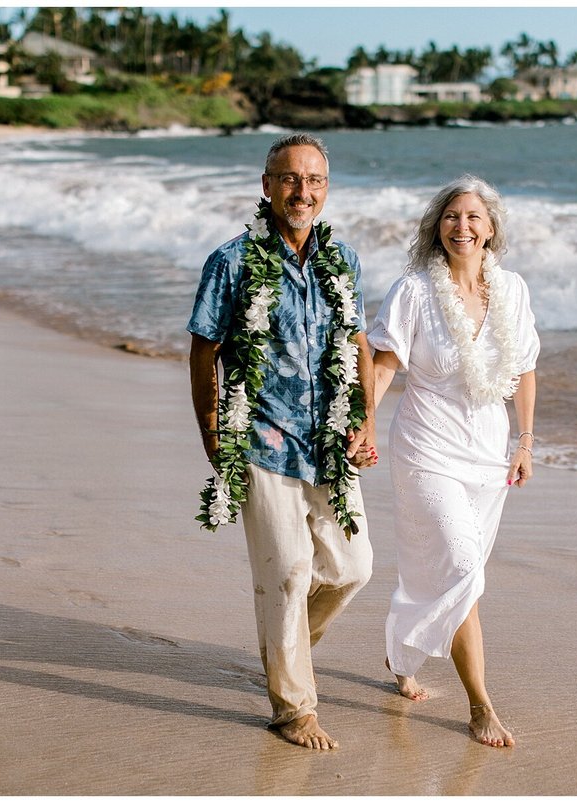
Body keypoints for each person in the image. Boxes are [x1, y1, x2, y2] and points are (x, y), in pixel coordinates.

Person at [187, 133, 377, 750]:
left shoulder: (342, 259)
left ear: (327, 189)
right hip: (260, 437)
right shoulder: (232, 260)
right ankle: (294, 708)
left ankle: (284, 643)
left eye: (315, 181)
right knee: (289, 572)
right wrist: (215, 434)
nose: (303, 192)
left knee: (352, 567)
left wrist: (365, 419)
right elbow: (204, 350)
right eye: (291, 179)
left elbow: (356, 344)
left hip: (327, 441)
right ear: (266, 185)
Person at [367, 175, 539, 748]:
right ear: (435, 228)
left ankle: (402, 655)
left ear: (491, 229)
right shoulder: (414, 291)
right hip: (425, 447)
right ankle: (481, 705)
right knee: (464, 568)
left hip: (488, 456)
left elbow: (525, 369)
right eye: (450, 216)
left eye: (472, 217)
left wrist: (525, 441)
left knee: (431, 568)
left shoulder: (511, 290)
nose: (460, 226)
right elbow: (385, 362)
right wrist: (362, 422)